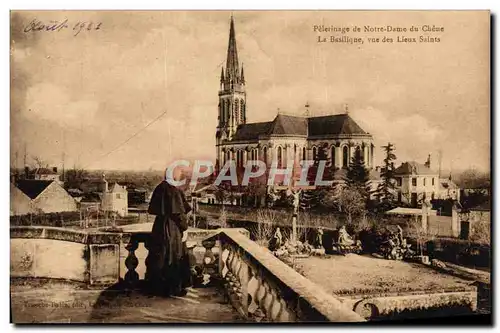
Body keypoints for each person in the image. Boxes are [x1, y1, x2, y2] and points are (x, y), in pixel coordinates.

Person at [146, 167, 192, 297]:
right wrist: (185, 228)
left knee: (159, 257)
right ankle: (173, 289)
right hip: (172, 229)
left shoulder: (159, 188)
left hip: (159, 227)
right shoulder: (174, 190)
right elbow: (179, 214)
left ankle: (158, 288)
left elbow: (155, 209)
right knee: (173, 257)